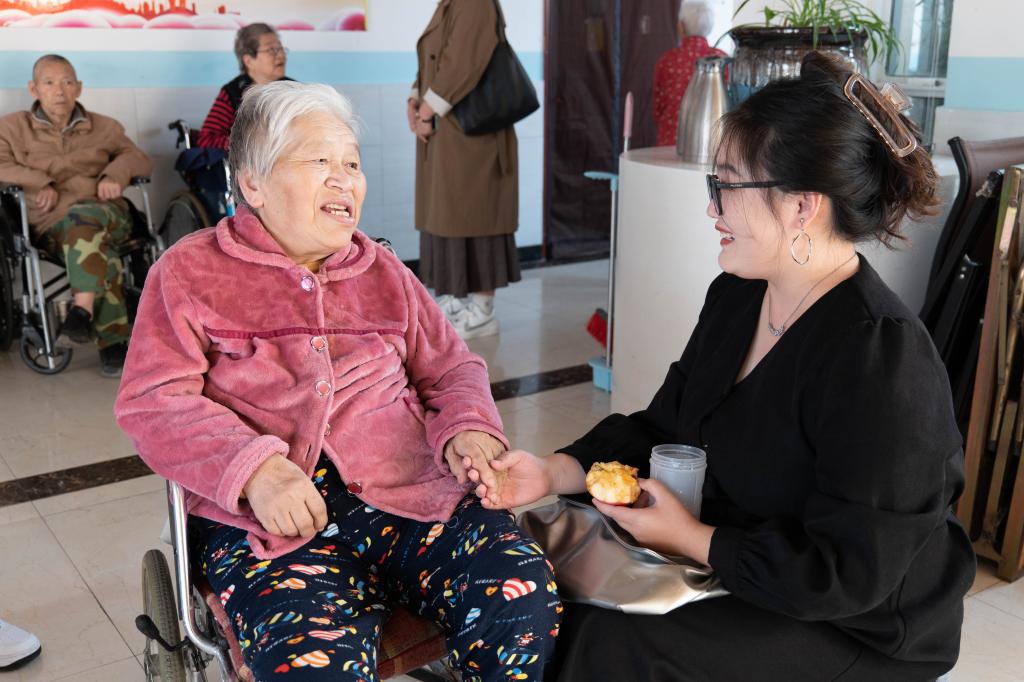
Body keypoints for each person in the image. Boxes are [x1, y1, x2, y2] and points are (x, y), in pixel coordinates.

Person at [471, 52, 976, 681]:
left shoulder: (880, 357)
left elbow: (848, 573)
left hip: (854, 624)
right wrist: (552, 471)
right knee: (545, 586)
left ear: (802, 207)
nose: (713, 210)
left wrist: (689, 537)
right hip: (745, 564)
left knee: (613, 642)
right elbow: (665, 425)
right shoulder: (739, 296)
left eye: (726, 188)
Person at [115, 81, 559, 682]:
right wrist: (256, 470)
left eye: (351, 163)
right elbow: (152, 401)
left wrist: (469, 428)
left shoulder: (384, 271)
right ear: (253, 184)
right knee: (312, 663)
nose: (343, 179)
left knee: (522, 590)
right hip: (271, 524)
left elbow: (452, 368)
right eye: (319, 160)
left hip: (412, 493)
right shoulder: (190, 273)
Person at [0, 54, 152, 377]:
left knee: (85, 220)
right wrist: (38, 181)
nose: (60, 91)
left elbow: (138, 158)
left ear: (79, 88)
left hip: (108, 213)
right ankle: (112, 344)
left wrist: (114, 175)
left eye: (67, 82)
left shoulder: (105, 127)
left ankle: (81, 309)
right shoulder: (12, 128)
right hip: (52, 224)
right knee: (100, 252)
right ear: (33, 89)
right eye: (49, 83)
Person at [409, 0, 521, 339]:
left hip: (473, 136)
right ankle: (456, 301)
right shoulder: (450, 4)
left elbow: (462, 62)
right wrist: (414, 99)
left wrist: (426, 111)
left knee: (478, 217)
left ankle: (482, 311)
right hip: (449, 133)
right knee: (446, 217)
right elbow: (434, 61)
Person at [197, 23, 290, 150]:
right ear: (248, 61)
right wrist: (249, 143)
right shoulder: (232, 93)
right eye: (271, 50)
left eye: (281, 48)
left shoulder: (294, 90)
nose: (281, 55)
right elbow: (206, 140)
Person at [652, 1, 726, 147]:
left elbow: (657, 108)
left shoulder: (667, 60)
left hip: (669, 144)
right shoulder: (721, 60)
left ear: (681, 26)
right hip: (711, 144)